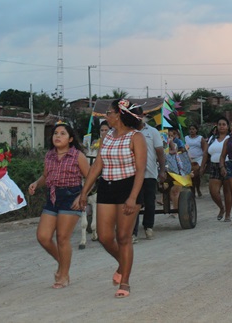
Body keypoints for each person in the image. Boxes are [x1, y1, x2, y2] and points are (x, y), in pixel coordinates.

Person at [78, 99, 147, 298]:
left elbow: (141, 170)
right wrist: (84, 192)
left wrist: (133, 197)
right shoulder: (108, 135)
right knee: (104, 236)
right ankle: (123, 264)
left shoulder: (136, 137)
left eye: (109, 112)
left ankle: (125, 281)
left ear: (119, 115)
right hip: (107, 186)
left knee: (124, 237)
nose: (106, 115)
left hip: (129, 187)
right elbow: (97, 165)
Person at [28, 122, 91, 289]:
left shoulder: (78, 156)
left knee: (62, 238)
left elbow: (91, 179)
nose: (57, 136)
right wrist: (36, 183)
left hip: (71, 197)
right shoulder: (49, 155)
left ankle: (63, 275)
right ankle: (62, 263)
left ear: (70, 139)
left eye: (63, 133)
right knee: (43, 236)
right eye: (56, 133)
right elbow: (46, 176)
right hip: (53, 197)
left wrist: (82, 196)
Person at [132, 111, 166, 242]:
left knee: (149, 201)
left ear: (142, 117)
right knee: (135, 202)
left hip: (150, 172)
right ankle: (133, 232)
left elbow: (160, 152)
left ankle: (148, 227)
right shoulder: (129, 132)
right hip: (132, 173)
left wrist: (162, 170)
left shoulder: (152, 132)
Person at [200, 117, 232, 221]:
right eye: (220, 124)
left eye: (224, 124)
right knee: (213, 192)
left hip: (228, 165)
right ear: (217, 126)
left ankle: (228, 214)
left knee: (227, 192)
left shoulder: (231, 138)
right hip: (214, 166)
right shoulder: (212, 138)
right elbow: (205, 153)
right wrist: (202, 166)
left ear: (228, 127)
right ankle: (221, 208)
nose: (221, 126)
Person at [185, 124, 207, 197]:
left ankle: (197, 188)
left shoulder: (200, 138)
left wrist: (204, 160)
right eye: (190, 129)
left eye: (193, 129)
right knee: (191, 176)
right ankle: (192, 191)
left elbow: (204, 149)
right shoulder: (186, 138)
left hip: (198, 158)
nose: (192, 130)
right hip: (189, 159)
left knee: (196, 175)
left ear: (196, 130)